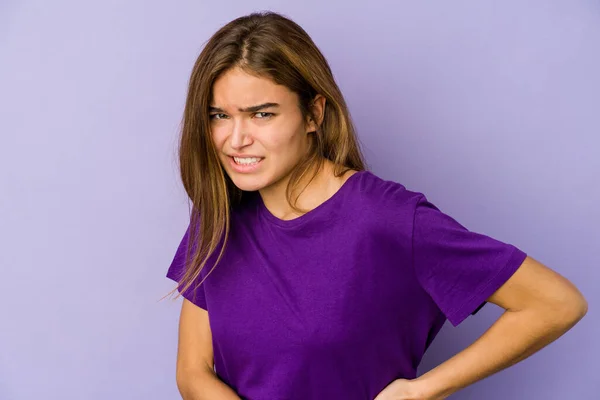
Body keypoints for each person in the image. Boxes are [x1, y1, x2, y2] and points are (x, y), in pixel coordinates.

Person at [164, 11, 587, 400]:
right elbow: (193, 371)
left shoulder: (386, 218)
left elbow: (555, 303)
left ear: (314, 114)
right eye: (219, 115)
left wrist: (421, 391)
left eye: (262, 114)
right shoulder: (220, 213)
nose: (235, 140)